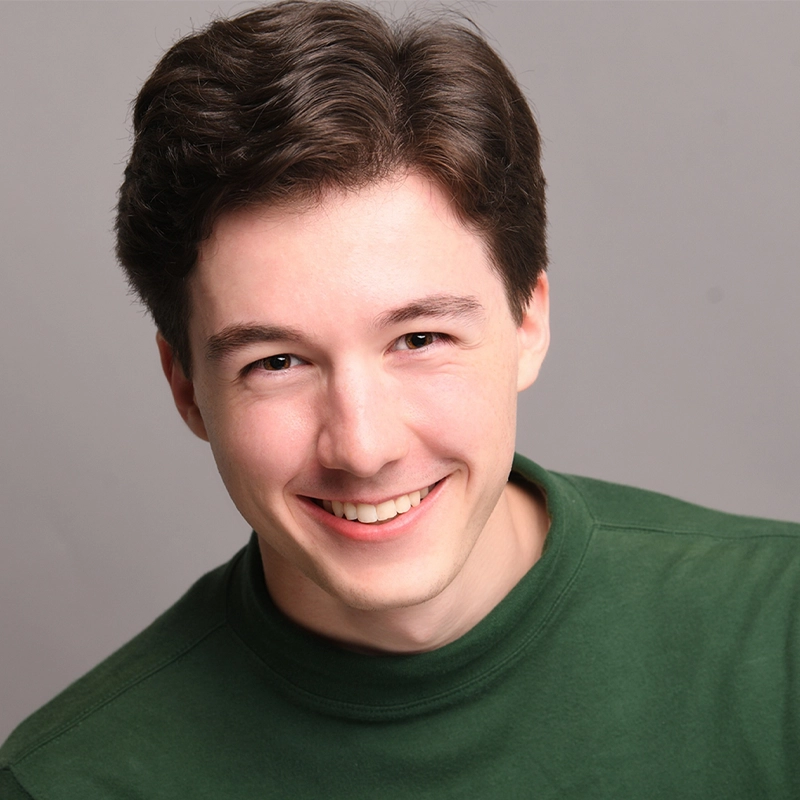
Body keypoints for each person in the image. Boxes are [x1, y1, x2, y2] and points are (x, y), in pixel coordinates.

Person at [1, 1, 798, 797]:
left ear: (528, 321)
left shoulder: (780, 633)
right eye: (277, 362)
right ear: (187, 390)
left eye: (419, 340)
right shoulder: (68, 782)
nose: (363, 446)